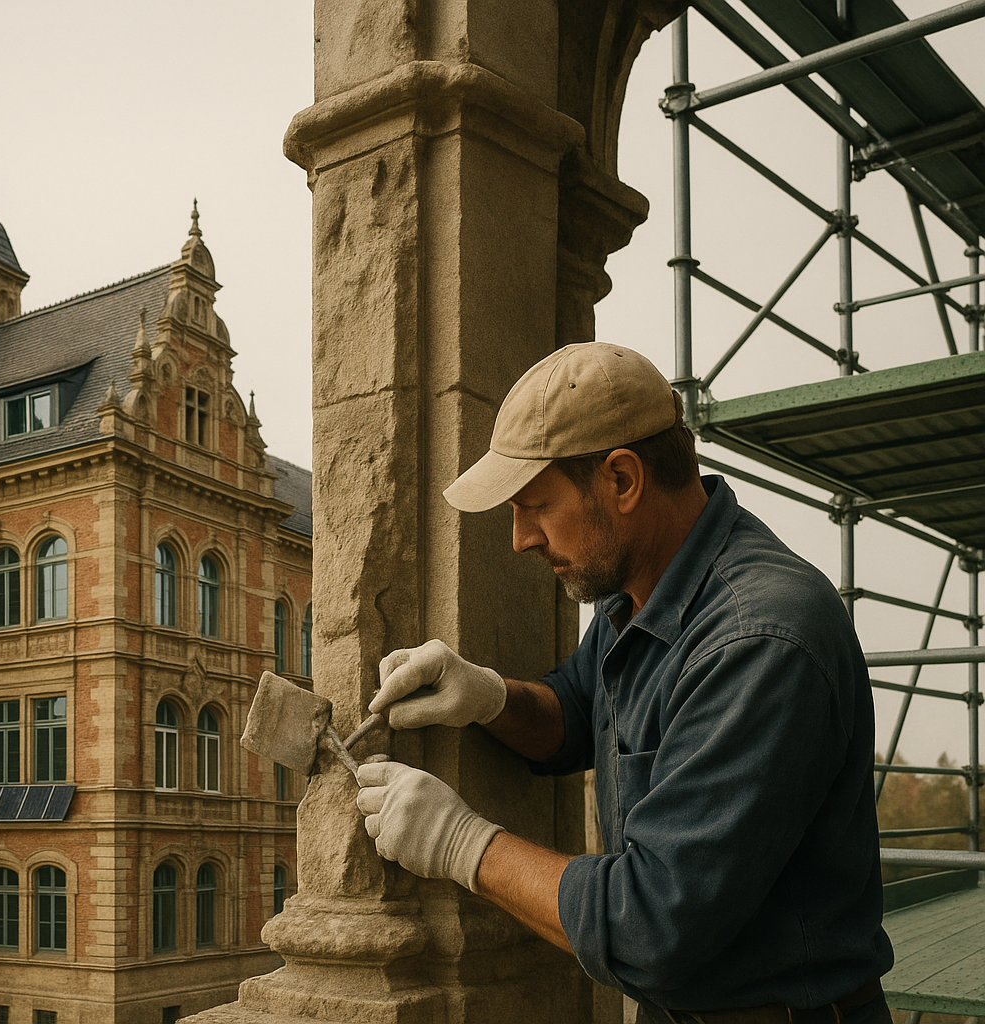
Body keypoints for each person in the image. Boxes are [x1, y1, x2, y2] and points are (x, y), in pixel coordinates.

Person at [356, 342, 892, 1024]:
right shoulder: (639, 590)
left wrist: (461, 843)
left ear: (622, 479)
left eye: (535, 505)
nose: (520, 538)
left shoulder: (761, 638)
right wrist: (487, 697)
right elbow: (577, 712)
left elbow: (653, 923)